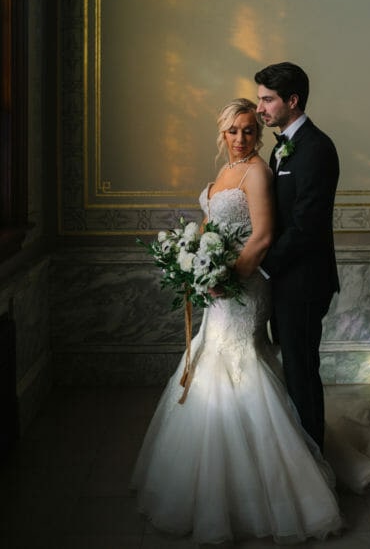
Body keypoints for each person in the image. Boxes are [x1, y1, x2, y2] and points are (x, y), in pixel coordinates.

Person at [131, 98, 345, 544]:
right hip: (218, 289)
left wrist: (225, 275)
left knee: (240, 361)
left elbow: (264, 235)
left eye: (250, 130)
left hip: (243, 289)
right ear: (222, 133)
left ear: (258, 134)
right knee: (209, 359)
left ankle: (278, 487)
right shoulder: (224, 174)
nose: (242, 138)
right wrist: (194, 264)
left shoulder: (258, 174)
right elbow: (212, 228)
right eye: (234, 130)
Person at [254, 62, 339, 453]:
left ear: (293, 100)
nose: (260, 109)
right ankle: (299, 451)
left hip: (304, 282)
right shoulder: (283, 145)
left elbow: (306, 227)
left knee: (302, 372)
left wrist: (261, 267)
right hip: (286, 280)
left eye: (268, 100)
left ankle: (314, 460)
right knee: (292, 369)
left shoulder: (317, 149)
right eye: (259, 99)